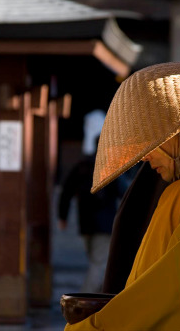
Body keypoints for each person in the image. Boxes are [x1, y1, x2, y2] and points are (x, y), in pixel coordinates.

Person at [64, 61, 180, 331]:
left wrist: (93, 327)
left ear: (178, 128)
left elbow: (177, 291)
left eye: (148, 143)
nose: (143, 156)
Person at [58, 110, 124, 293]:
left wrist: (62, 216)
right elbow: (123, 192)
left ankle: (99, 302)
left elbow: (66, 191)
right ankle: (84, 301)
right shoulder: (110, 167)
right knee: (99, 264)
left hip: (85, 223)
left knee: (97, 263)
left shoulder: (81, 166)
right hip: (105, 224)